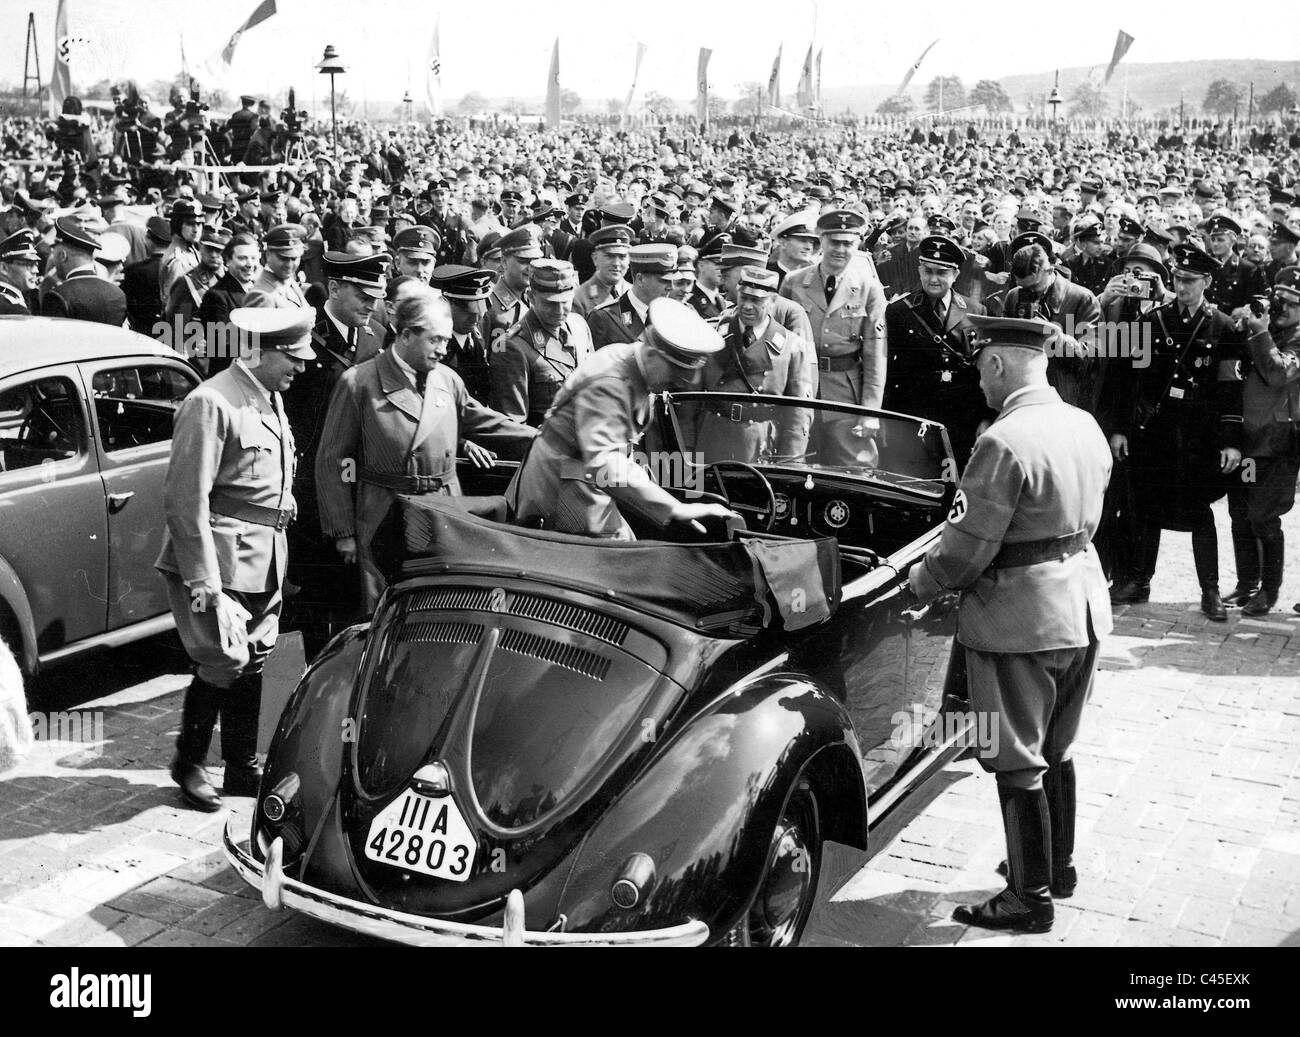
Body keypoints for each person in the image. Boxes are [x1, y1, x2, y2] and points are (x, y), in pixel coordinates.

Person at [909, 315, 1113, 934]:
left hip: (1018, 618)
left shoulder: (1003, 440)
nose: (980, 381)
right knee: (1058, 744)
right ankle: (1058, 864)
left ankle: (1029, 897)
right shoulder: (1083, 423)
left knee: (1015, 757)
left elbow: (966, 547)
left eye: (980, 368)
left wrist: (919, 585)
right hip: (1080, 602)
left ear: (997, 364)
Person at [154, 308, 316, 811]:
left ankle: (242, 767)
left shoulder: (267, 397)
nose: (302, 367)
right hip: (221, 558)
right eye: (292, 357)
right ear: (258, 351)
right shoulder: (211, 402)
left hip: (265, 554)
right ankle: (190, 761)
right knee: (223, 659)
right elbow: (186, 501)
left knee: (255, 659)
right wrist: (205, 582)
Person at [315, 288, 537, 609]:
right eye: (435, 340)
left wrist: (543, 439)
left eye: (446, 341)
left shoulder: (446, 380)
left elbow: (485, 423)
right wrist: (343, 531)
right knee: (388, 609)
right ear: (405, 335)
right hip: (384, 513)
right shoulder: (359, 383)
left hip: (444, 507)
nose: (443, 350)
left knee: (443, 605)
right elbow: (332, 460)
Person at [507, 296, 740, 539]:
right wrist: (675, 508)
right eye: (675, 372)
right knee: (618, 561)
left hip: (584, 475)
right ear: (653, 353)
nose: (685, 381)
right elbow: (604, 462)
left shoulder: (633, 363)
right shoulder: (611, 384)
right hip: (559, 487)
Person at [1109, 242, 1245, 620]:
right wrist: (1121, 429)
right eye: (1177, 279)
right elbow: (1130, 380)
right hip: (1156, 432)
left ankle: (1210, 590)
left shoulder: (1224, 326)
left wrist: (1232, 442)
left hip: (1199, 437)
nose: (1182, 286)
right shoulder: (1151, 322)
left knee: (1200, 512)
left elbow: (1231, 391)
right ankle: (1140, 580)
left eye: (1190, 280)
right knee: (1147, 507)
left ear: (1207, 281)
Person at [779, 209, 887, 466]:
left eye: (848, 243)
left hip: (846, 394)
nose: (840, 250)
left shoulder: (869, 288)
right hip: (800, 389)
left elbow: (875, 356)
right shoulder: (793, 282)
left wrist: (870, 412)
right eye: (834, 242)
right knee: (794, 466)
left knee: (855, 471)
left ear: (857, 244)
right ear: (821, 241)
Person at [1224, 268, 1300, 615]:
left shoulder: (1295, 338)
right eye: (1278, 299)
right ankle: (1247, 584)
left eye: (1290, 304)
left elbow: (1277, 373)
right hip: (1249, 444)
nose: (1280, 308)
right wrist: (1242, 324)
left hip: (1277, 446)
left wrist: (1259, 330)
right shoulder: (1264, 329)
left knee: (1263, 516)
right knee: (1242, 514)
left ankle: (1269, 590)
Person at [685, 267, 814, 463]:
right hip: (712, 436)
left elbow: (798, 413)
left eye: (756, 300)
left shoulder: (791, 346)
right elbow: (690, 399)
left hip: (759, 444)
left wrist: (791, 461)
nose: (746, 306)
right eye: (743, 298)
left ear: (772, 301)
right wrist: (686, 446)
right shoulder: (711, 333)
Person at [884, 235, 991, 465]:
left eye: (941, 273)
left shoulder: (976, 311)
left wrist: (985, 418)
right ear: (919, 271)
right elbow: (889, 372)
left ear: (955, 275)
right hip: (913, 417)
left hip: (961, 419)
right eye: (928, 271)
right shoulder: (899, 312)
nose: (934, 279)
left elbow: (983, 371)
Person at [1001, 236, 1102, 411]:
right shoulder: (1014, 296)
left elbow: (1092, 358)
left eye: (1034, 287)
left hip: (1062, 398)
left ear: (1050, 270)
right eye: (1023, 287)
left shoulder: (1082, 298)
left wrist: (1057, 338)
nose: (1028, 293)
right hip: (1021, 394)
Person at [492, 259, 594, 427]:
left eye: (565, 302)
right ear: (531, 296)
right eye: (550, 304)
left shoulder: (579, 326)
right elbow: (513, 425)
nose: (560, 311)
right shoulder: (513, 346)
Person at [195, 232, 261, 378]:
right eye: (242, 258)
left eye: (253, 258)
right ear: (228, 261)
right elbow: (221, 348)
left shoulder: (258, 291)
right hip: (230, 377)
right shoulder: (216, 296)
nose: (249, 264)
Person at [40, 217, 128, 326]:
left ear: (63, 256)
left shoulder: (58, 296)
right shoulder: (117, 294)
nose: (54, 261)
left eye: (55, 256)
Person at [587, 243, 676, 348]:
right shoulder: (604, 318)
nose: (671, 287)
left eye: (673, 280)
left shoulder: (671, 315)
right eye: (664, 281)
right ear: (640, 279)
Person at [431, 264, 496, 405]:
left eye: (481, 309)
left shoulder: (482, 325)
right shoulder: (434, 343)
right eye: (468, 310)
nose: (476, 318)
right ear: (445, 304)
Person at [483, 225, 540, 351]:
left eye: (535, 261)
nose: (530, 267)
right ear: (504, 262)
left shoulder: (535, 299)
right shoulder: (489, 306)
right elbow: (495, 357)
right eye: (523, 261)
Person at [164, 225, 228, 328]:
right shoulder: (187, 283)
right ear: (200, 248)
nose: (213, 255)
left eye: (219, 250)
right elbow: (178, 329)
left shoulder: (230, 281)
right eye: (209, 249)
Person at [243, 224, 309, 308]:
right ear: (268, 255)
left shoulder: (288, 280)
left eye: (294, 259)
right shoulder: (261, 296)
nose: (289, 265)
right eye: (283, 258)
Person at [572, 225, 631, 317]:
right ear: (595, 258)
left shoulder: (633, 293)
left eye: (622, 257)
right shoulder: (580, 298)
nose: (616, 263)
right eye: (610, 256)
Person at [158, 198, 203, 304]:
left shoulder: (191, 250)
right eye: (190, 224)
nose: (196, 229)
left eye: (199, 224)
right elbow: (174, 304)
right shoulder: (177, 260)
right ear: (178, 225)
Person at [0, 229, 41, 315]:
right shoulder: (14, 309)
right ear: (4, 268)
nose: (35, 270)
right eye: (28, 265)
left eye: (36, 264)